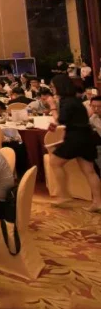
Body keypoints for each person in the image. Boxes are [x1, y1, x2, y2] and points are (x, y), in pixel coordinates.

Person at [46, 74, 101, 212]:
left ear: (59, 86)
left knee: (54, 162)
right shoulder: (75, 100)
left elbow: (61, 120)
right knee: (89, 171)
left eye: (53, 86)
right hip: (86, 137)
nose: (52, 89)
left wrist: (52, 107)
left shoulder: (67, 101)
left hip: (76, 138)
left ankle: (64, 195)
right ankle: (98, 202)